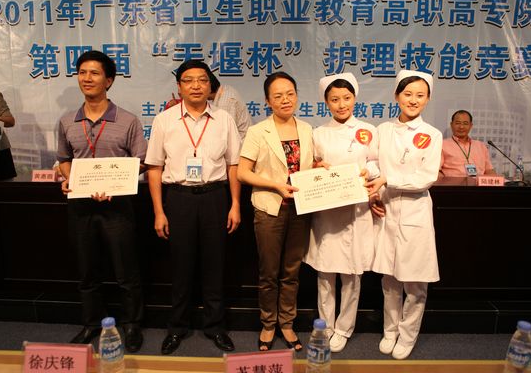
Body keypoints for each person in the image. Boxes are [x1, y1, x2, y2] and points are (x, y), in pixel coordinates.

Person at [145, 60, 241, 355]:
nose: (196, 85)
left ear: (211, 86)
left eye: (202, 80)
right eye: (189, 80)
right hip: (179, 198)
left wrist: (235, 204)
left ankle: (215, 326)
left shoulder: (224, 119)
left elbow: (233, 165)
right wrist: (159, 211)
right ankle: (177, 327)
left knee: (215, 264)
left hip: (215, 197)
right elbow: (154, 168)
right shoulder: (164, 120)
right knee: (181, 265)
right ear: (179, 86)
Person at [56, 50, 145, 353]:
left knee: (126, 270)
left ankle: (132, 323)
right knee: (87, 269)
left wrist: (114, 184)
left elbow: (141, 161)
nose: (87, 78)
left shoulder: (128, 120)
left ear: (109, 80)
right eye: (82, 72)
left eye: (94, 73)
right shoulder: (67, 121)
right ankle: (92, 322)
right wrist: (69, 179)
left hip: (117, 207)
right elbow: (64, 159)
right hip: (81, 207)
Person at [303, 73, 380, 353]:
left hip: (356, 211)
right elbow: (310, 165)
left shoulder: (369, 130)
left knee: (352, 274)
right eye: (334, 99)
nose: (341, 104)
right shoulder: (318, 133)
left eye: (346, 98)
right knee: (325, 272)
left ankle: (345, 328)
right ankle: (325, 325)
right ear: (326, 103)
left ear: (355, 99)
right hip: (327, 211)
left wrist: (367, 171)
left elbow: (377, 164)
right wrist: (316, 166)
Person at [237, 71, 313, 352]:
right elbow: (243, 173)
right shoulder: (258, 131)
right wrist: (275, 185)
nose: (285, 100)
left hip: (301, 210)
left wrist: (321, 167)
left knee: (292, 271)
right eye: (278, 96)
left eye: (290, 94)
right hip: (269, 209)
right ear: (268, 101)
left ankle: (287, 323)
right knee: (269, 272)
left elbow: (307, 166)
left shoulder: (307, 129)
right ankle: (268, 324)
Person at [371, 70, 442, 360]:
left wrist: (387, 180)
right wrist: (376, 189)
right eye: (407, 94)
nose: (413, 100)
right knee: (389, 279)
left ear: (428, 99)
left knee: (415, 282)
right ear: (396, 96)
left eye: (420, 95)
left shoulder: (433, 135)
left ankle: (408, 334)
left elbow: (425, 178)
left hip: (415, 212)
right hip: (387, 210)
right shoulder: (383, 130)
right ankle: (390, 331)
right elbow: (372, 163)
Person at [166, 72, 251, 140]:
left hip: (241, 149)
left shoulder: (226, 101)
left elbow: (221, 133)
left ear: (209, 87)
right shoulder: (224, 90)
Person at [440, 110, 495, 177]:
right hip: (454, 183)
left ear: (471, 126)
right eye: (458, 123)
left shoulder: (481, 146)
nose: (461, 127)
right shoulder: (442, 145)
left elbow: (489, 170)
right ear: (451, 125)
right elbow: (436, 171)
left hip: (478, 183)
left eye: (465, 123)